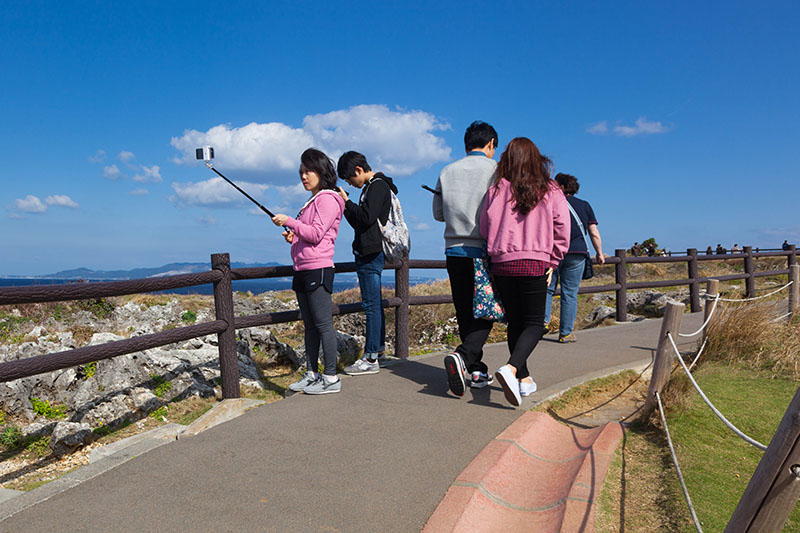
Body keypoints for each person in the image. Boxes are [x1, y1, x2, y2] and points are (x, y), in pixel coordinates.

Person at [480, 137, 570, 407]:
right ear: (537, 159)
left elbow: (485, 227)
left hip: (503, 263)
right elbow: (562, 228)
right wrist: (554, 260)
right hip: (535, 262)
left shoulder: (497, 188)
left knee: (516, 323)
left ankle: (524, 379)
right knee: (534, 323)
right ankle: (511, 368)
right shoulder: (551, 189)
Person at [432, 120, 499, 396]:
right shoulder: (496, 171)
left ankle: (476, 369)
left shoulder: (447, 171)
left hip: (453, 249)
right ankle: (462, 355)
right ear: (491, 144)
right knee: (486, 310)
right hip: (483, 251)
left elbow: (438, 214)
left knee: (464, 310)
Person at [272, 148, 345, 395]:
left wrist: (289, 222)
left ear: (321, 171)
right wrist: (293, 236)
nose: (304, 176)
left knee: (323, 324)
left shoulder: (327, 199)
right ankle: (312, 373)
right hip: (303, 269)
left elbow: (316, 234)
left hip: (318, 269)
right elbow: (308, 233)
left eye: (308, 171)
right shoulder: (312, 201)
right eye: (301, 172)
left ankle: (331, 378)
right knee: (310, 326)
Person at [336, 151, 396, 376]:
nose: (351, 183)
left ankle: (370, 357)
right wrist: (348, 205)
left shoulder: (377, 186)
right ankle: (378, 353)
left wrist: (346, 201)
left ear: (359, 170)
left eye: (351, 178)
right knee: (375, 305)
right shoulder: (374, 186)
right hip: (368, 251)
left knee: (371, 307)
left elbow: (366, 218)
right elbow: (360, 222)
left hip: (371, 253)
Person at [544, 173, 605, 343]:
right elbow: (593, 232)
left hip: (553, 252)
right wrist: (599, 253)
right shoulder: (584, 205)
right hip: (576, 253)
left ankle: (542, 323)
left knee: (547, 289)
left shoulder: (550, 202)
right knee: (569, 293)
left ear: (561, 187)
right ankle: (565, 333)